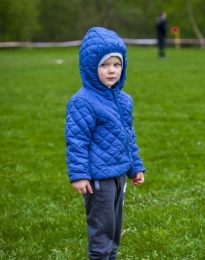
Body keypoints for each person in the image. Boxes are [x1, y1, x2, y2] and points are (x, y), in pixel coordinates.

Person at [65, 27, 145, 260]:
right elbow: (76, 141)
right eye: (104, 65)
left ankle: (111, 256)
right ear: (91, 67)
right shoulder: (82, 102)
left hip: (119, 174)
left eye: (116, 64)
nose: (112, 71)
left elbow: (128, 136)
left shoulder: (123, 100)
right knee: (102, 227)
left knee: (114, 226)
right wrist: (79, 174)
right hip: (98, 179)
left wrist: (135, 166)